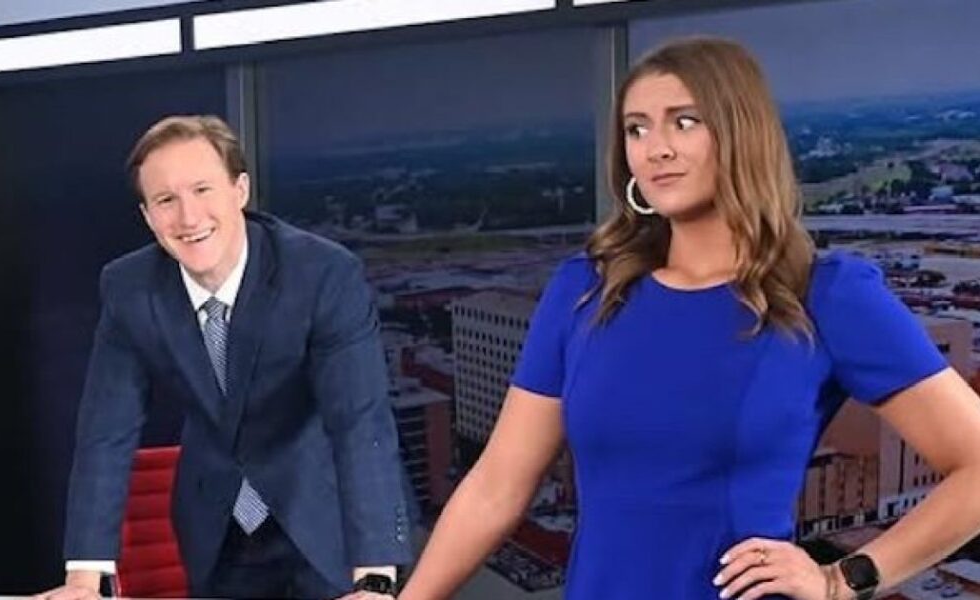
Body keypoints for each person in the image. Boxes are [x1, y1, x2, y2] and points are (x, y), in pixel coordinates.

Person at [397, 37, 980, 600]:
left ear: (741, 134)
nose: (657, 148)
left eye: (684, 121)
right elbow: (497, 487)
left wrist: (842, 581)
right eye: (637, 128)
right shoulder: (584, 290)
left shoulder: (826, 294)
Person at [36, 115, 410, 600]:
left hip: (331, 518)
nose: (188, 217)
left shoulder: (322, 274)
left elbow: (359, 424)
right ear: (148, 216)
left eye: (202, 189)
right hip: (217, 529)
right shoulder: (129, 288)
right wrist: (85, 579)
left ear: (240, 190)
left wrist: (375, 581)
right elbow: (105, 434)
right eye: (166, 200)